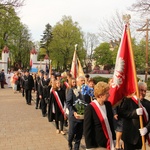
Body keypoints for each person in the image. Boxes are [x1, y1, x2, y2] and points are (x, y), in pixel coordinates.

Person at [84, 81, 116, 150]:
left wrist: (114, 138)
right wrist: (89, 147)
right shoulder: (90, 108)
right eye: (107, 93)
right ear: (100, 95)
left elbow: (111, 124)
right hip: (97, 145)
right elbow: (87, 130)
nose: (109, 95)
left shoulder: (108, 105)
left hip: (109, 142)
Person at [118, 81, 150, 150]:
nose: (143, 93)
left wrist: (147, 128)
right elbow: (121, 113)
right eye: (141, 90)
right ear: (136, 89)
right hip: (130, 136)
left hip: (141, 136)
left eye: (145, 91)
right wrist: (134, 113)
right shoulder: (127, 100)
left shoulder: (147, 103)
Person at [66, 76, 85, 150]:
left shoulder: (86, 91)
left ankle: (76, 148)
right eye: (81, 81)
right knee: (71, 133)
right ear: (77, 82)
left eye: (84, 80)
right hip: (74, 116)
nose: (83, 82)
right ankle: (69, 142)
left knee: (79, 135)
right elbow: (68, 102)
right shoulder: (72, 90)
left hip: (82, 116)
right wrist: (73, 112)